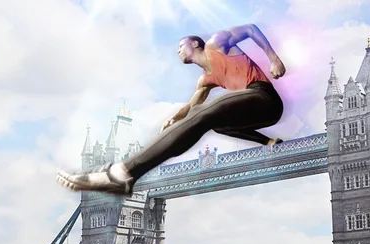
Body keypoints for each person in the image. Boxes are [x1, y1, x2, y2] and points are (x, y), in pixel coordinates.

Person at [56, 23, 287, 195]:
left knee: (206, 113)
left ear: (195, 43)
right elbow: (191, 107)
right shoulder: (205, 81)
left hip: (264, 98)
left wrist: (273, 59)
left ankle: (120, 173)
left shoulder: (217, 43)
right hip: (253, 112)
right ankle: (267, 142)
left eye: (180, 46)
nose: (177, 51)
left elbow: (251, 29)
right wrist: (174, 119)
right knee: (212, 122)